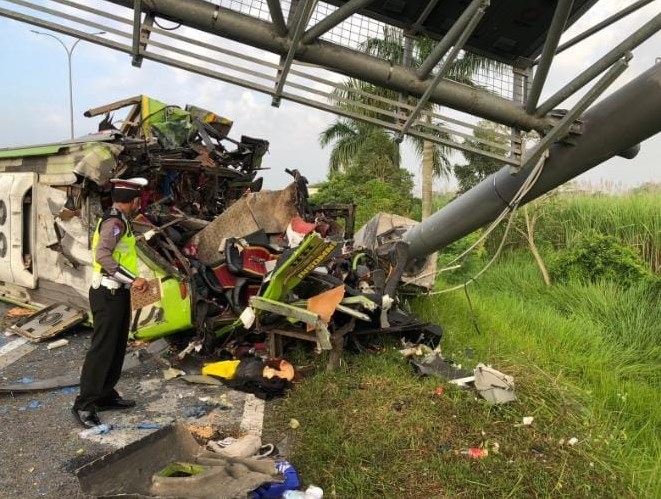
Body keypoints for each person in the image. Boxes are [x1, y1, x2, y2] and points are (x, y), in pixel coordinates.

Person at [72, 178, 149, 428]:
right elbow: (102, 255)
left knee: (116, 346)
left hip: (118, 293)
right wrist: (133, 279)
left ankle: (105, 394)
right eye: (139, 199)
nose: (139, 203)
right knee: (102, 349)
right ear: (133, 200)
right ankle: (84, 404)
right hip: (107, 293)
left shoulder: (120, 220)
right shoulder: (114, 222)